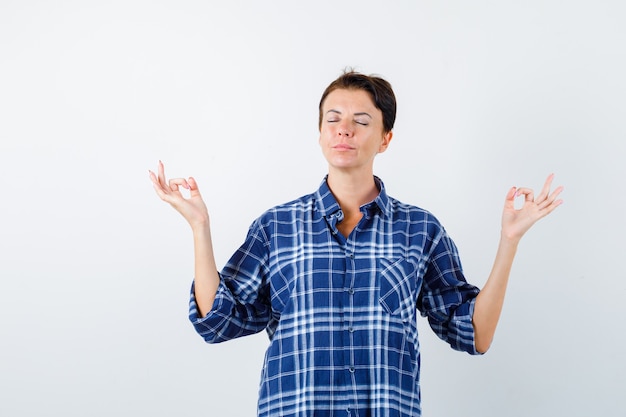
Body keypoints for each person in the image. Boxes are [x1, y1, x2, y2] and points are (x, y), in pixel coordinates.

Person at [149, 70, 563, 417]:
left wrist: (509, 241)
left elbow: (474, 333)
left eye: (362, 120)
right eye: (334, 118)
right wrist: (200, 227)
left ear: (385, 138)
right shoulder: (276, 227)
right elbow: (217, 321)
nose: (345, 128)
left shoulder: (420, 230)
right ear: (320, 133)